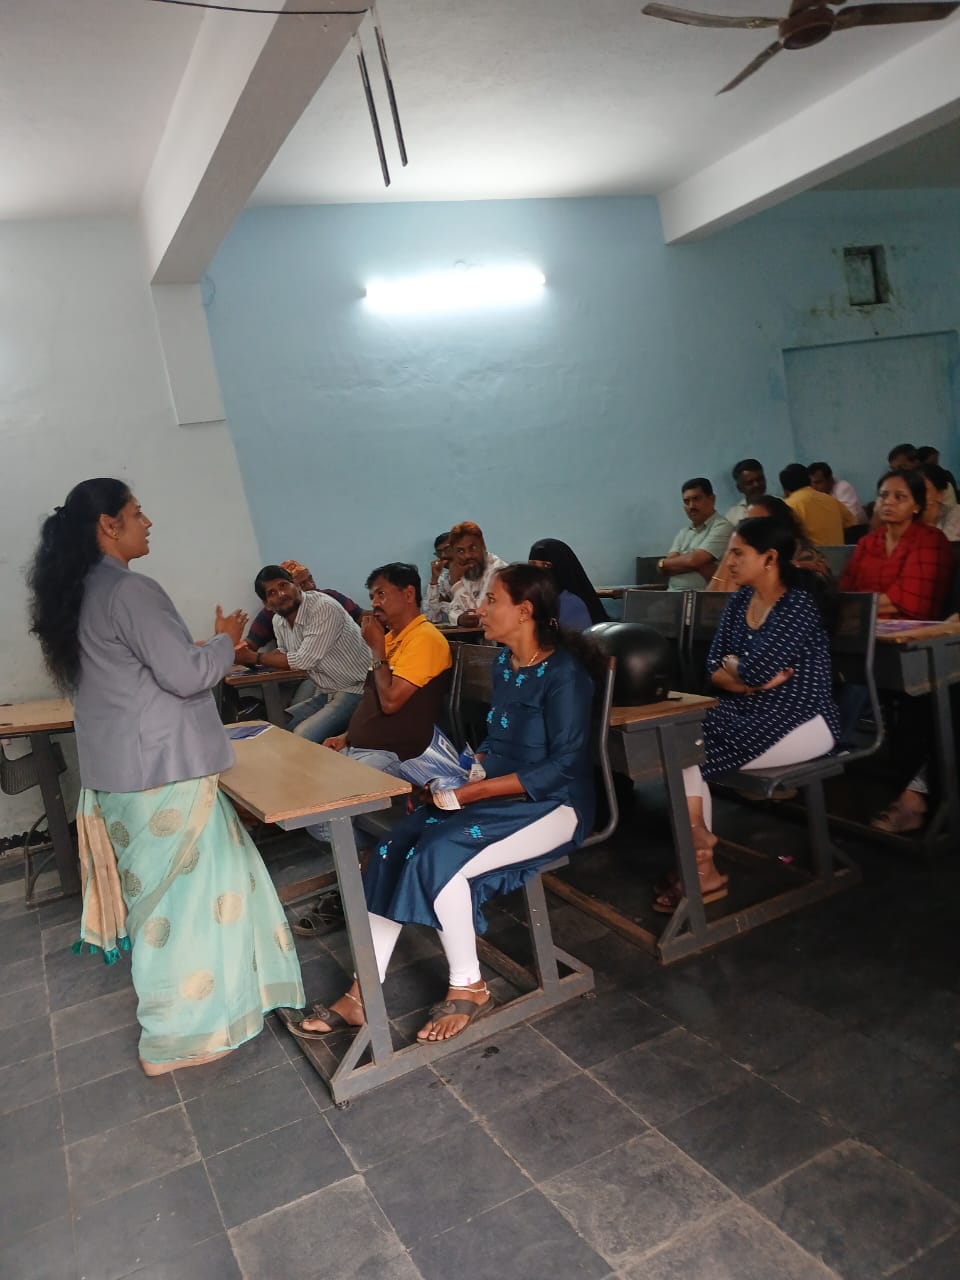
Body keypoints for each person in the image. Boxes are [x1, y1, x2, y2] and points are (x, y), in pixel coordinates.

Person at [26, 478, 304, 1076]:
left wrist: (208, 646)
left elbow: (142, 670)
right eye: (137, 513)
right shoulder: (130, 589)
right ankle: (177, 1037)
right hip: (161, 772)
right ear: (109, 525)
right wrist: (227, 642)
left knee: (167, 907)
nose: (147, 522)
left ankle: (212, 1013)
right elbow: (184, 675)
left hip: (120, 775)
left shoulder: (77, 594)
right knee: (187, 907)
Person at [289, 564, 598, 1043]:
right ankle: (360, 995)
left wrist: (473, 791)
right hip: (494, 792)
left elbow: (564, 766)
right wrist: (469, 768)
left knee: (438, 857)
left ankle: (469, 986)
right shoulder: (504, 664)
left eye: (492, 600)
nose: (481, 610)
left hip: (553, 806)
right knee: (393, 848)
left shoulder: (564, 675)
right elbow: (498, 737)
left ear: (524, 611)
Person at [654, 518, 840, 913]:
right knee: (679, 737)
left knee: (686, 741)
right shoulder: (740, 601)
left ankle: (698, 862)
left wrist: (741, 671)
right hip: (751, 712)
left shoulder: (797, 605)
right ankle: (701, 857)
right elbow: (713, 667)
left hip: (803, 721)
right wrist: (752, 684)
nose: (730, 562)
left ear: (769, 558)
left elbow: (750, 668)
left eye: (738, 553)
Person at [235, 566, 370, 744]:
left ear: (296, 585)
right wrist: (241, 654)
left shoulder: (323, 607)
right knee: (277, 728)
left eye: (284, 585)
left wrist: (254, 657)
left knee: (301, 736)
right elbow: (284, 653)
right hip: (327, 691)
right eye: (272, 592)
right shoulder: (278, 620)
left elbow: (303, 661)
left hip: (358, 689)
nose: (281, 594)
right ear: (267, 604)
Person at [840, 470, 953, 620]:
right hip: (860, 623)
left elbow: (910, 599)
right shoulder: (867, 541)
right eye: (883, 495)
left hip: (910, 628)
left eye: (899, 497)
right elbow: (845, 589)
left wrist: (851, 610)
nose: (888, 502)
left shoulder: (931, 540)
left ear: (916, 506)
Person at [708, 495, 830, 591]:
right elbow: (710, 598)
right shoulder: (744, 553)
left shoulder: (803, 553)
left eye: (757, 523)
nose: (749, 529)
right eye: (747, 522)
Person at [245, 560, 363, 652]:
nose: (311, 586)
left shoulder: (329, 598)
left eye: (310, 579)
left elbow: (363, 617)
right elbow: (250, 645)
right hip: (297, 672)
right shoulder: (273, 612)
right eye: (302, 584)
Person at [658, 478, 733, 592]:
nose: (691, 506)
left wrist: (665, 563)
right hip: (672, 594)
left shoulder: (722, 526)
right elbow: (666, 568)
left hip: (702, 597)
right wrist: (695, 562)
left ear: (712, 499)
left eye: (696, 499)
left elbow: (693, 560)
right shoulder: (684, 532)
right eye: (686, 501)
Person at [528, 538, 608, 629]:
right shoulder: (528, 598)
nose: (538, 571)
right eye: (533, 564)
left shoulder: (571, 603)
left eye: (546, 565)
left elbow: (575, 637)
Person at [446, 522, 507, 626]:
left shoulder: (499, 571)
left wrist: (456, 583)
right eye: (461, 551)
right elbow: (453, 611)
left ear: (483, 546)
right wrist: (459, 619)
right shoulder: (465, 569)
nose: (467, 556)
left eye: (472, 548)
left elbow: (480, 616)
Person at [780, 463, 854, 546]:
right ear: (809, 481)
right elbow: (851, 522)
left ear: (785, 490)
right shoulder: (832, 500)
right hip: (839, 553)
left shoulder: (788, 505)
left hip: (810, 554)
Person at [423, 532, 461, 624]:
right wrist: (434, 579)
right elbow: (431, 617)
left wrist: (444, 605)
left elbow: (473, 614)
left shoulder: (477, 574)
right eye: (439, 553)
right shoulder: (442, 580)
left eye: (447, 549)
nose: (443, 556)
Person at [724, 458, 766, 525]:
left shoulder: (780, 505)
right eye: (750, 482)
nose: (756, 485)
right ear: (739, 488)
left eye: (759, 479)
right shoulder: (732, 517)